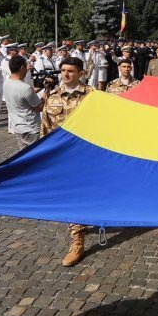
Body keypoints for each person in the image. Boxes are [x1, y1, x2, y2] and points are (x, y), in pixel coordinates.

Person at [40, 57, 95, 265]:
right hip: (63, 158)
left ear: (81, 73)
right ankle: (77, 239)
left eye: (71, 71)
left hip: (87, 155)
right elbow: (45, 129)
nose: (65, 74)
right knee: (73, 196)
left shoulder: (93, 97)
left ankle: (88, 220)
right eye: (62, 70)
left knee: (87, 194)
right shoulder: (53, 97)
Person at [3, 56, 44, 146]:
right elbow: (39, 108)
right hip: (31, 129)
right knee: (35, 156)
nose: (27, 70)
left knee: (24, 154)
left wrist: (41, 87)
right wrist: (46, 92)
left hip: (18, 127)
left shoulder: (7, 82)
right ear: (22, 68)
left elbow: (23, 94)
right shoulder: (25, 88)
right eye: (26, 67)